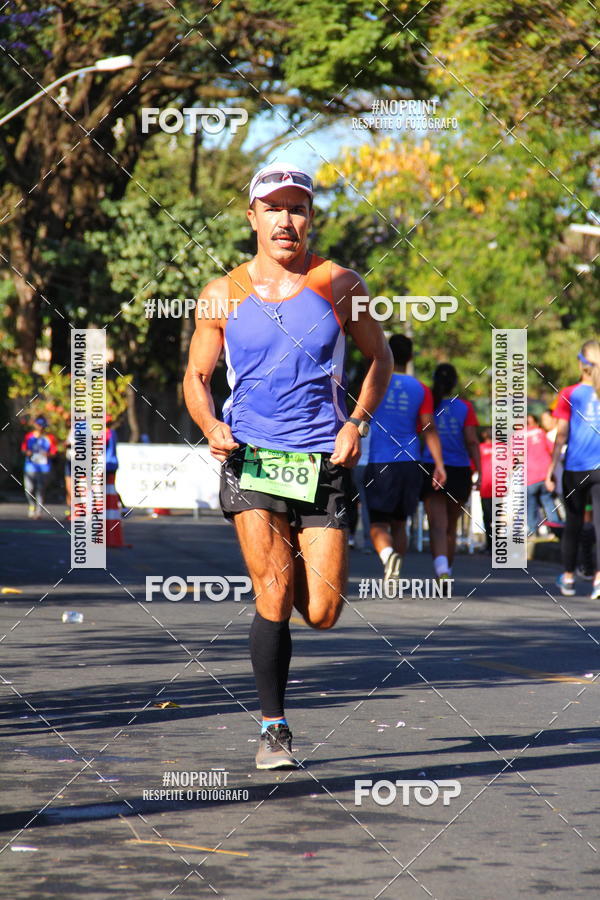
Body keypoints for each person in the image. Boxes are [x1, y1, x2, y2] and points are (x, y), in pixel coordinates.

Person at [183, 162, 393, 769]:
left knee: (322, 611)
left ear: (309, 219)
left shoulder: (338, 284)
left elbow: (378, 359)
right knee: (271, 591)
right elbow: (197, 377)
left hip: (321, 457)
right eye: (272, 207)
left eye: (296, 207)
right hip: (252, 455)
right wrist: (210, 426)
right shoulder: (222, 293)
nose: (285, 219)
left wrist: (355, 423)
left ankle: (296, 557)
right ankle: (275, 729)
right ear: (251, 217)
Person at [365, 334, 445, 582]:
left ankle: (388, 556)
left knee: (378, 522)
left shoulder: (375, 381)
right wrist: (439, 465)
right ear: (410, 357)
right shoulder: (421, 388)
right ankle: (395, 573)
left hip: (380, 462)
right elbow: (428, 427)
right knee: (400, 522)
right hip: (411, 463)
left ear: (386, 351)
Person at [546, 340, 600, 599]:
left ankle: (568, 579)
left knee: (573, 525)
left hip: (576, 468)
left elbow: (561, 435)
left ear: (581, 362)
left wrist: (550, 468)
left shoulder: (569, 392)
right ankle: (598, 581)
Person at [421, 364, 480, 580]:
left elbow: (419, 436)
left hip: (431, 467)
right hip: (460, 471)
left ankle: (442, 570)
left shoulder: (427, 406)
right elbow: (472, 441)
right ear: (455, 383)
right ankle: (447, 571)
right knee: (451, 527)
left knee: (437, 525)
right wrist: (480, 471)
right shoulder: (465, 407)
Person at [526, 413, 558, 536]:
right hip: (545, 475)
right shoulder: (540, 432)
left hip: (530, 477)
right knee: (548, 503)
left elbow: (514, 457)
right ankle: (556, 530)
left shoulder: (517, 436)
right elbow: (552, 449)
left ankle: (533, 532)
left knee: (531, 506)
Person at [21, 415, 57, 519]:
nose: (40, 427)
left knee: (40, 489)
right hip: (30, 467)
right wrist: (27, 452)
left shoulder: (49, 438)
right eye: (38, 425)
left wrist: (47, 454)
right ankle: (32, 505)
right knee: (29, 489)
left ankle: (39, 510)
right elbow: (23, 449)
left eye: (42, 425)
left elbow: (54, 452)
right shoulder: (29, 436)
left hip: (44, 467)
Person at [478, 427, 493, 552]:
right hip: (500, 487)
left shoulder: (480, 448)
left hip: (486, 486)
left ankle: (490, 545)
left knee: (488, 517)